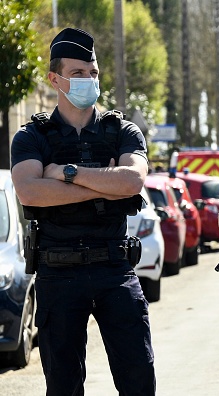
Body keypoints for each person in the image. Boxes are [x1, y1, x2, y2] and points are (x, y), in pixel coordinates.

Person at [10, 28, 156, 395]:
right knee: (63, 386)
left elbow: (132, 182)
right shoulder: (32, 137)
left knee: (139, 380)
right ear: (54, 79)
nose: (88, 80)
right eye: (77, 74)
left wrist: (67, 174)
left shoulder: (122, 131)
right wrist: (101, 185)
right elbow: (30, 191)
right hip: (58, 274)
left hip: (114, 270)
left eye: (93, 73)